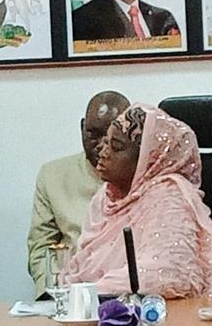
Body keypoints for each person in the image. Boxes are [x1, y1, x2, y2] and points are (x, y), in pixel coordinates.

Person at [63, 104, 212, 297]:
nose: (103, 151)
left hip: (158, 319)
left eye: (116, 146)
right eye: (105, 142)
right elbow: (80, 266)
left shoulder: (169, 197)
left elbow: (169, 274)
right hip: (93, 313)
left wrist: (85, 292)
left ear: (147, 159)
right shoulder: (105, 197)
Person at [27, 91, 130, 298]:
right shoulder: (52, 176)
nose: (101, 144)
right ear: (82, 127)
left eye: (111, 136)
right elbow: (40, 249)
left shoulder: (147, 180)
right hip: (70, 296)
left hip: (129, 295)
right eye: (93, 133)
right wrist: (55, 294)